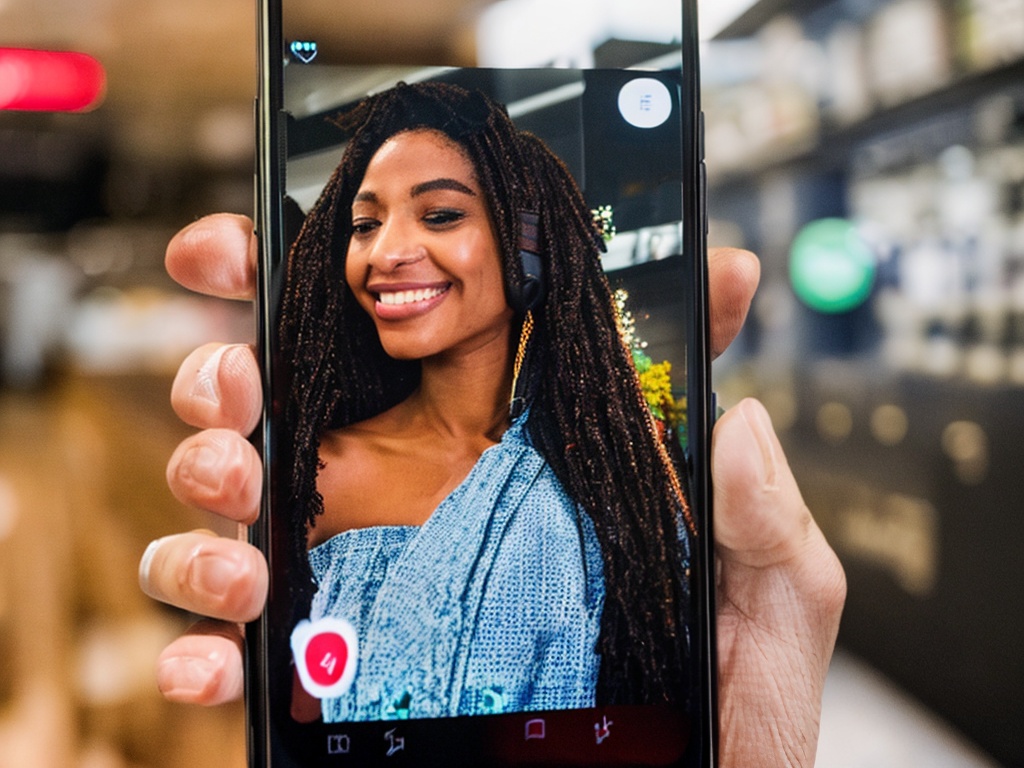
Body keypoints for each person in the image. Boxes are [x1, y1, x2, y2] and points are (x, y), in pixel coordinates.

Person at [140, 101, 846, 767]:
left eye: (440, 215)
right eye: (364, 224)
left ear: (529, 244)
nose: (387, 251)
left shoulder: (622, 476)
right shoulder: (315, 469)